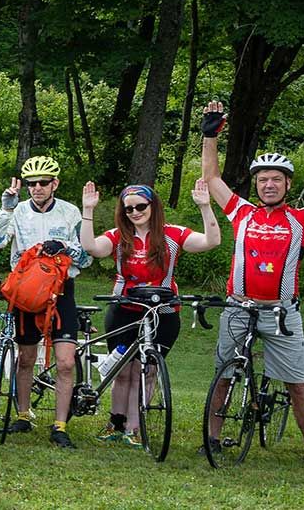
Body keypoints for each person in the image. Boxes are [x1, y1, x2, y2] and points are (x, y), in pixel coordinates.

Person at [198, 101, 304, 466]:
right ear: (255, 184)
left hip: (281, 314)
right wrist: (210, 136)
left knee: (296, 382)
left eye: (276, 179)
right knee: (224, 374)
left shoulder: (303, 219)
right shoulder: (241, 213)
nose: (268, 185)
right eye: (262, 179)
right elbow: (211, 180)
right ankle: (211, 437)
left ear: (287, 184)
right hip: (239, 307)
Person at [78, 179, 221, 446]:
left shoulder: (173, 234)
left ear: (153, 206)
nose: (134, 213)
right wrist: (88, 211)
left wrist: (205, 206)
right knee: (122, 370)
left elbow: (211, 241)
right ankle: (116, 422)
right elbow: (91, 248)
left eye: (140, 206)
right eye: (128, 209)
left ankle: (135, 427)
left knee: (149, 369)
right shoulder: (119, 236)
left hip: (163, 312)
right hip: (124, 310)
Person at [0, 155, 92, 448]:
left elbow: (87, 256)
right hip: (26, 293)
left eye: (44, 183)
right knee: (26, 358)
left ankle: (60, 425)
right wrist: (5, 210)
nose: (37, 188)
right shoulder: (17, 211)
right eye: (32, 184)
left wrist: (67, 246)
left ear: (55, 183)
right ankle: (23, 414)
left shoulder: (70, 213)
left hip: (61, 291)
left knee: (66, 362)